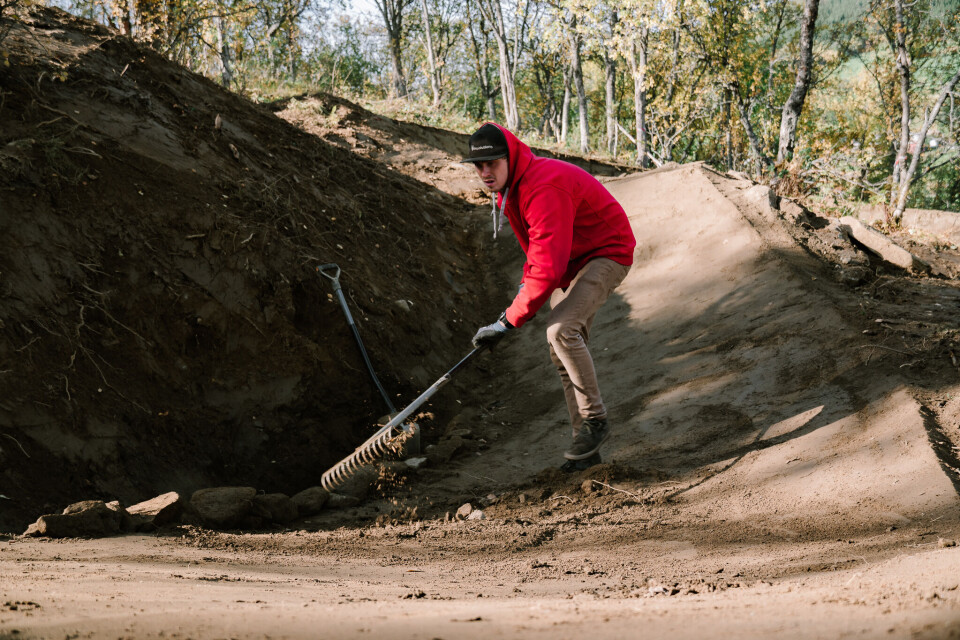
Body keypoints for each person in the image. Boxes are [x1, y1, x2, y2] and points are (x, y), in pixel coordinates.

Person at [463, 122, 636, 471]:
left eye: (492, 163)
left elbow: (548, 267)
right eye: (478, 166)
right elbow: (537, 254)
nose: (485, 172)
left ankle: (595, 422)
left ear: (509, 156)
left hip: (608, 252)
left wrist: (508, 321)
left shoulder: (542, 186)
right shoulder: (512, 188)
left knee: (561, 330)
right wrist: (517, 302)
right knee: (560, 346)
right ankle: (585, 452)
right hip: (580, 258)